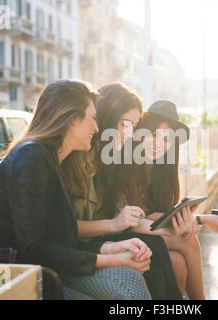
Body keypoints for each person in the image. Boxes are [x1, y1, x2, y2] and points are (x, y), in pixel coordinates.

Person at [0, 80, 153, 300]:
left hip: (44, 272)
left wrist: (111, 248)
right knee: (126, 288)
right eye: (92, 118)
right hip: (9, 279)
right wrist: (114, 258)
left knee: (131, 280)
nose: (96, 128)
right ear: (73, 119)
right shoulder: (32, 157)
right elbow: (36, 249)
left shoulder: (51, 159)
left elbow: (59, 237)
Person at [110, 100, 218, 300]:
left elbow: (154, 213)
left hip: (147, 232)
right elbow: (129, 221)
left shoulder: (163, 171)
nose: (158, 145)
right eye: (152, 135)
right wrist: (190, 224)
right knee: (188, 241)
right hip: (118, 235)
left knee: (177, 262)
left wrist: (199, 219)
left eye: (167, 140)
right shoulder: (126, 164)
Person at [69, 82, 184, 300]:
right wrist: (115, 228)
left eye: (133, 126)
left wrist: (191, 220)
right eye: (125, 125)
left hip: (102, 237)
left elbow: (142, 213)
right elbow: (62, 229)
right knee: (154, 250)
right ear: (106, 118)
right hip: (81, 247)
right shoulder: (79, 159)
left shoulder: (108, 160)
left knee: (159, 250)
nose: (130, 134)